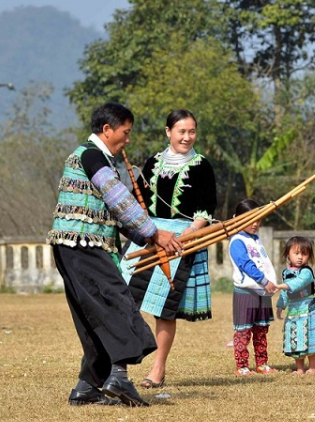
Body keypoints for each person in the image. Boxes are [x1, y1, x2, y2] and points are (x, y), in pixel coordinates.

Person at [47, 102, 181, 407]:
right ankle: (118, 378)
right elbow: (119, 199)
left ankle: (89, 384)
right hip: (84, 246)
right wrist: (155, 232)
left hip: (72, 246)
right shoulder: (93, 156)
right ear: (107, 130)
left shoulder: (90, 157)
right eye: (125, 132)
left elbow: (113, 215)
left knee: (92, 313)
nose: (128, 139)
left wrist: (147, 239)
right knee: (116, 304)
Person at [120, 109, 217, 389]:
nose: (187, 137)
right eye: (181, 131)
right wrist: (144, 229)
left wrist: (191, 232)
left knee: (164, 308)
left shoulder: (202, 166)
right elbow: (136, 202)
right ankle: (119, 363)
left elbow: (206, 208)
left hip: (181, 240)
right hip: (148, 235)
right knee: (124, 297)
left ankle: (157, 370)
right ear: (168, 132)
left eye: (192, 132)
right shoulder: (151, 163)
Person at [227, 198, 279, 376]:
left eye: (258, 219)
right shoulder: (237, 241)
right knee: (243, 331)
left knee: (261, 330)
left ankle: (262, 363)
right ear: (238, 219)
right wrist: (265, 281)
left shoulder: (256, 239)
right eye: (250, 219)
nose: (255, 224)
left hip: (262, 294)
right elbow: (246, 265)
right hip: (246, 293)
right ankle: (241, 365)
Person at [275, 236, 315, 374]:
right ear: (288, 254)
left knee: (309, 339)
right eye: (296, 253)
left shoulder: (306, 272)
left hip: (308, 308)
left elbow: (298, 283)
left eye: (304, 254)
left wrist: (283, 285)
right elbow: (285, 293)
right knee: (295, 339)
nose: (300, 257)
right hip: (293, 311)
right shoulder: (286, 273)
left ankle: (312, 367)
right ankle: (299, 368)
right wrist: (281, 305)